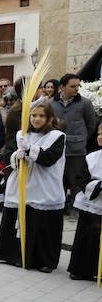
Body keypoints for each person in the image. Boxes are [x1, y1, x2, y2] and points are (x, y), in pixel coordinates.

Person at [0, 101, 65, 272]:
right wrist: (16, 156)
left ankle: (43, 260)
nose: (37, 119)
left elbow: (48, 159)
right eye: (34, 115)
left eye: (41, 116)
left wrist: (30, 149)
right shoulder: (21, 134)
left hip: (43, 184)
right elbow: (8, 154)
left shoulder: (57, 136)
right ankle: (16, 255)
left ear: (49, 118)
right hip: (21, 183)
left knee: (42, 223)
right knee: (18, 220)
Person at [50, 73, 96, 212]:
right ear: (62, 87)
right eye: (73, 86)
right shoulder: (51, 103)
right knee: (58, 180)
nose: (77, 89)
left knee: (76, 180)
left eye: (78, 86)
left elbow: (91, 125)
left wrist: (81, 139)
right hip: (57, 150)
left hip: (77, 151)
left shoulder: (85, 103)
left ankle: (76, 208)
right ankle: (59, 207)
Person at [67, 122, 102, 281]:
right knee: (86, 235)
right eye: (99, 134)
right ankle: (80, 269)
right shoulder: (92, 157)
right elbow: (81, 178)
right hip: (92, 202)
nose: (100, 137)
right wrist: (97, 186)